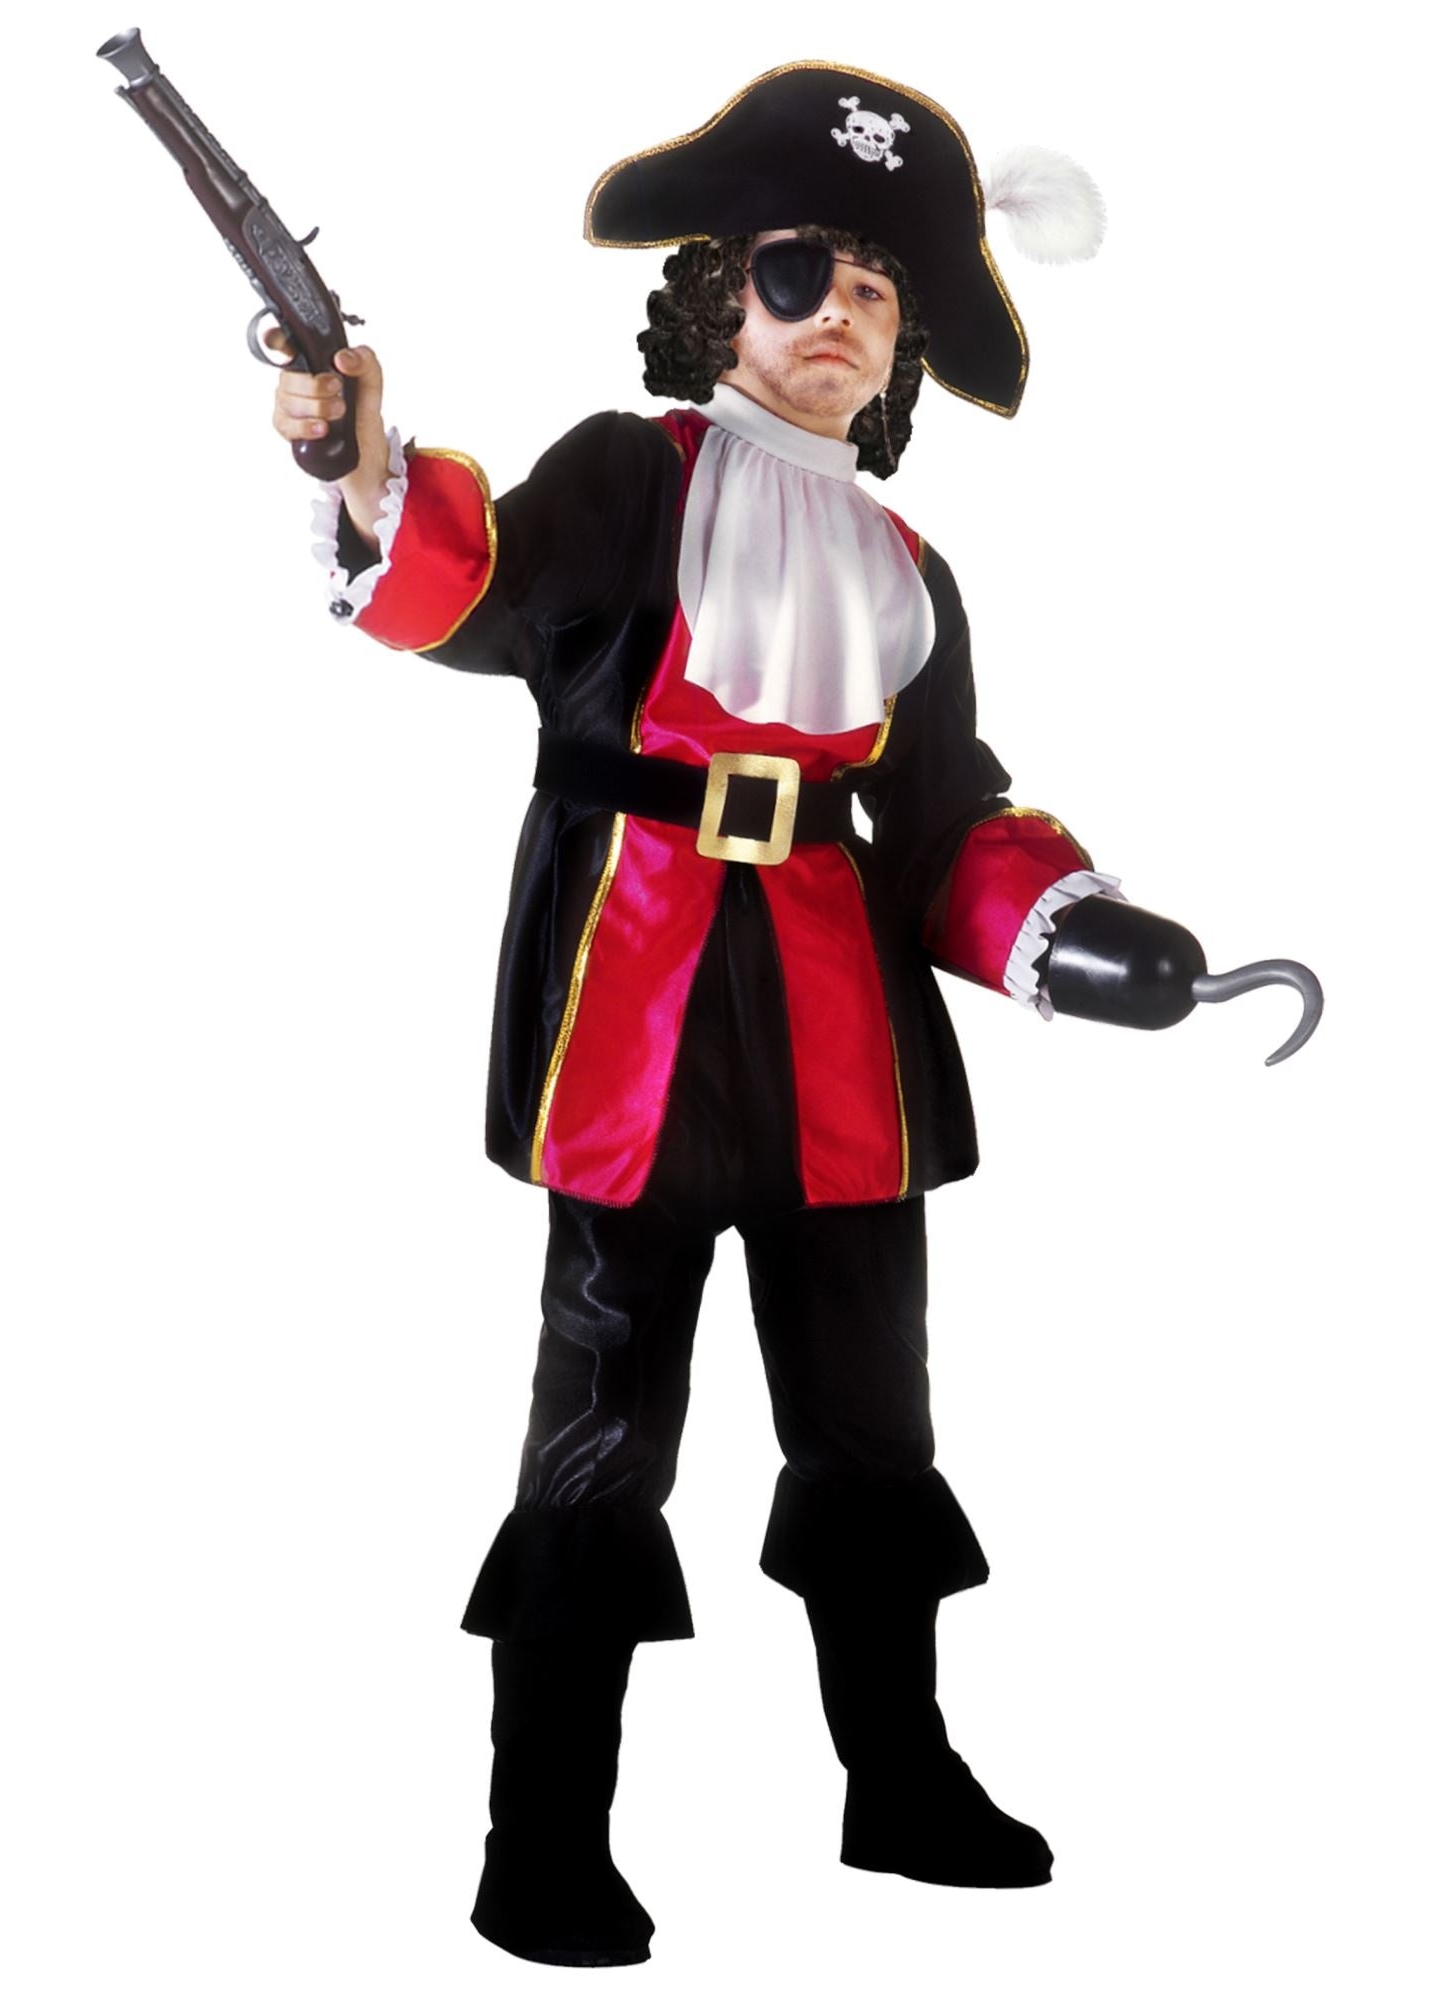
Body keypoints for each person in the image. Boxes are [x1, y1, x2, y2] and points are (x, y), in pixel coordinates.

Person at [267, 63, 1314, 1969]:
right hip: (640, 1018)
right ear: (718, 295)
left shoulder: (911, 574)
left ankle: (897, 1780)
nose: (841, 309)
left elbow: (947, 820)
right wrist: (357, 465)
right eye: (798, 269)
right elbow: (476, 594)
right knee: (600, 1439)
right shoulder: (628, 476)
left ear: (900, 354)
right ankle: (541, 1835)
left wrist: (1083, 936)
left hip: (844, 1041)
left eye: (880, 291)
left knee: (872, 1428)